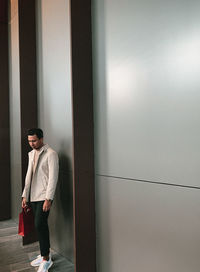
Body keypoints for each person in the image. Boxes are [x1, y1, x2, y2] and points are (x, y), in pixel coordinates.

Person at [22, 128, 59, 272]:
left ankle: (46, 259)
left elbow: (53, 178)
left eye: (34, 140)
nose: (31, 143)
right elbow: (28, 176)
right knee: (39, 225)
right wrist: (25, 195)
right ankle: (44, 253)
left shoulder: (51, 154)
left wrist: (49, 198)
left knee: (40, 224)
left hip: (44, 196)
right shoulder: (31, 154)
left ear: (41, 139)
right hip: (33, 195)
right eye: (29, 141)